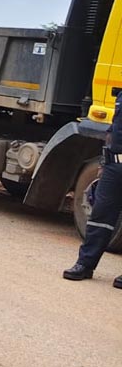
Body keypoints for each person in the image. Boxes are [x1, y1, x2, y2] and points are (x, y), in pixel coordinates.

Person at [63, 90, 122, 287]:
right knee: (100, 216)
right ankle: (85, 264)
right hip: (114, 165)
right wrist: (105, 164)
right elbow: (113, 130)